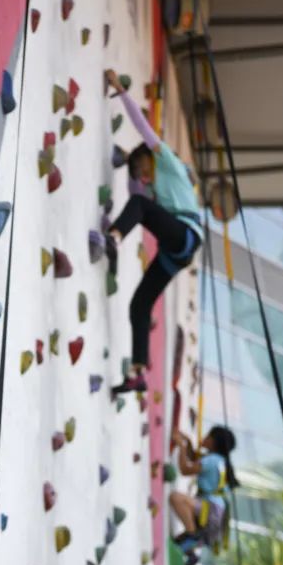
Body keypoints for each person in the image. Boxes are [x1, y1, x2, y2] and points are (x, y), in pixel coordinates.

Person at [104, 68, 204, 396]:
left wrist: (121, 89)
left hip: (185, 234)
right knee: (139, 303)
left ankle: (114, 237)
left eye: (141, 171)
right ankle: (137, 371)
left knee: (140, 205)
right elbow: (140, 193)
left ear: (150, 159)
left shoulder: (168, 163)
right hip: (176, 250)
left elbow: (142, 126)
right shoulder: (158, 187)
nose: (143, 179)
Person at [169, 425, 239, 565]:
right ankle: (191, 552)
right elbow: (194, 457)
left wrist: (181, 446)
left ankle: (191, 536)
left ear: (214, 442)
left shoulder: (212, 460)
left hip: (210, 509)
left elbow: (185, 469)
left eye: (208, 436)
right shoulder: (218, 461)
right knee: (178, 542)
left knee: (176, 498)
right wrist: (187, 442)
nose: (204, 437)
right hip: (216, 512)